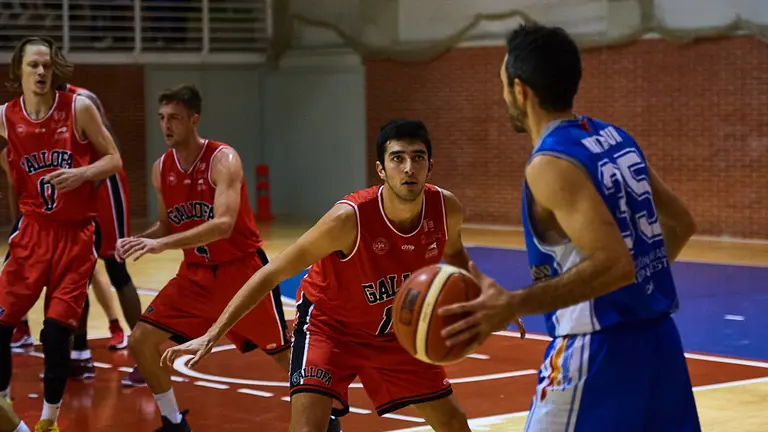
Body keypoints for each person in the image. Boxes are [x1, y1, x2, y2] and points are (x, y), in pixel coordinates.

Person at [160, 119, 524, 431]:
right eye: (398, 159)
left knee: (455, 422)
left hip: (394, 333)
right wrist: (211, 334)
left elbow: (457, 255)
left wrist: (489, 297)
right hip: (329, 328)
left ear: (431, 165)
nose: (409, 168)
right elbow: (270, 273)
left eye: (418, 158)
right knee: (306, 427)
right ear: (381, 169)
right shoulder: (348, 220)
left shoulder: (446, 208)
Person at [438, 24, 701, 432]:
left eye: (503, 85)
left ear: (521, 91)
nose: (503, 95)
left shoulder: (549, 165)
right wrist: (638, 285)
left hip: (595, 349)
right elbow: (681, 223)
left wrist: (512, 304)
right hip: (659, 344)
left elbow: (615, 264)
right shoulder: (615, 137)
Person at [115, 84, 324, 431]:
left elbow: (224, 225)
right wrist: (140, 240)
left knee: (281, 355)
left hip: (241, 272)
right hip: (194, 277)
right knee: (140, 340)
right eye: (162, 118)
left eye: (175, 118)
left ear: (194, 119)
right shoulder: (160, 168)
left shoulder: (223, 159)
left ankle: (325, 418)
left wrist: (162, 246)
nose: (166, 126)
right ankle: (173, 422)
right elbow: (167, 225)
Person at [0, 36, 123, 432]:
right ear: (18, 70)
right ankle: (4, 411)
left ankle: (48, 422)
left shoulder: (78, 108)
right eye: (33, 65)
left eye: (47, 66)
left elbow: (114, 159)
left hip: (75, 236)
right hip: (32, 232)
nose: (40, 72)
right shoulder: (5, 116)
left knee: (54, 335)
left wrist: (82, 173)